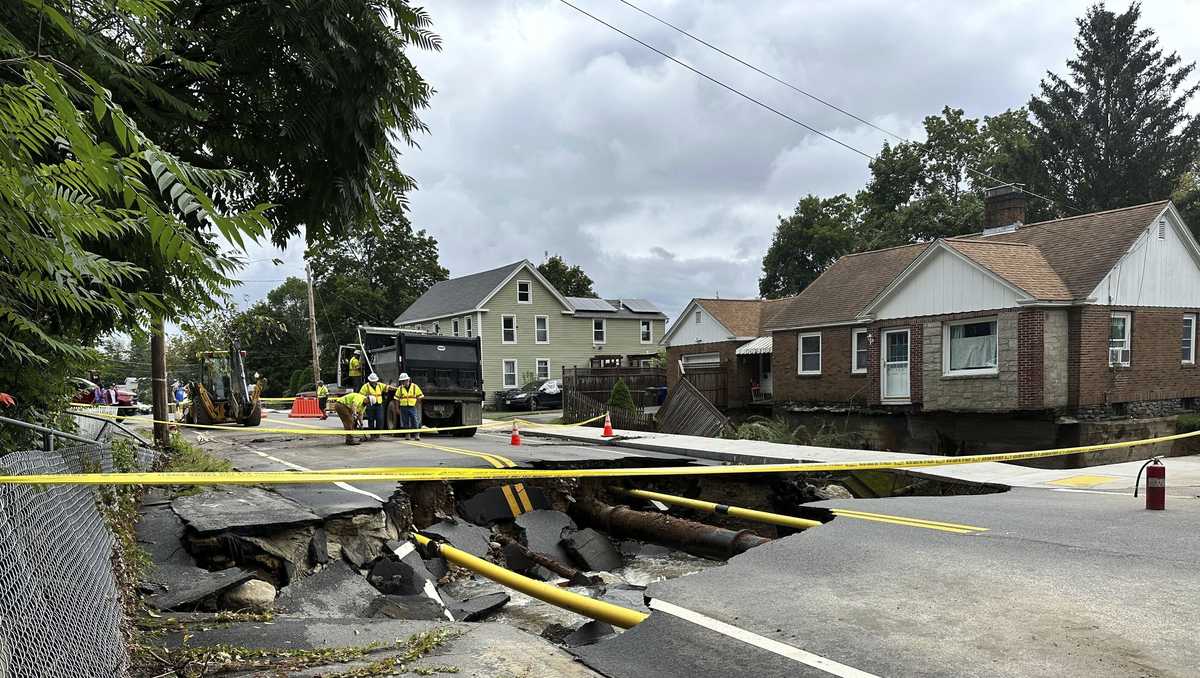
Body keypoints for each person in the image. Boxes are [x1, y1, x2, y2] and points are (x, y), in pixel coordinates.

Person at [395, 372, 424, 441]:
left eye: (404, 381)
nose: (403, 382)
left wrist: (416, 403)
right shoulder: (400, 388)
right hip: (403, 407)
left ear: (408, 380)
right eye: (402, 381)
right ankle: (407, 435)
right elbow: (396, 399)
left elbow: (421, 396)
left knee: (414, 420)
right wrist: (397, 408)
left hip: (412, 407)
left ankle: (416, 435)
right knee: (405, 421)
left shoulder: (414, 387)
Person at [359, 372, 387, 439]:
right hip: (370, 405)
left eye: (375, 381)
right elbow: (360, 395)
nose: (374, 382)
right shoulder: (365, 386)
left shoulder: (380, 385)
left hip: (379, 405)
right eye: (372, 381)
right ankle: (372, 435)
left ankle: (377, 434)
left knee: (380, 419)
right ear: (370, 381)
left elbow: (388, 387)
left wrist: (397, 389)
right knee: (371, 419)